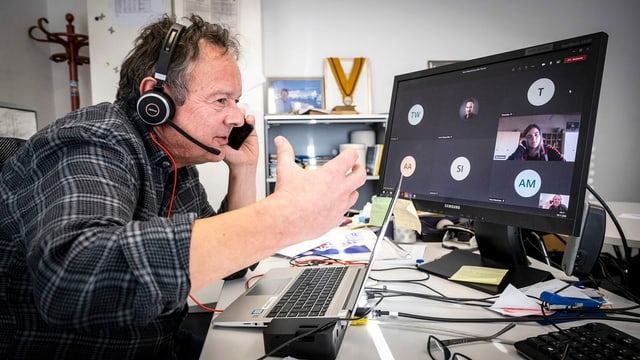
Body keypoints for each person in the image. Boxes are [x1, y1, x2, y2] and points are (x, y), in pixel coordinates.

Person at [0, 14, 366, 359]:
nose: (237, 116)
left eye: (236, 101)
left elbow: (230, 262)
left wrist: (243, 169)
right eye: (221, 99)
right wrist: (283, 217)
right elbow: (73, 278)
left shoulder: (176, 162)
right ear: (155, 101)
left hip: (162, 343)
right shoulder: (91, 140)